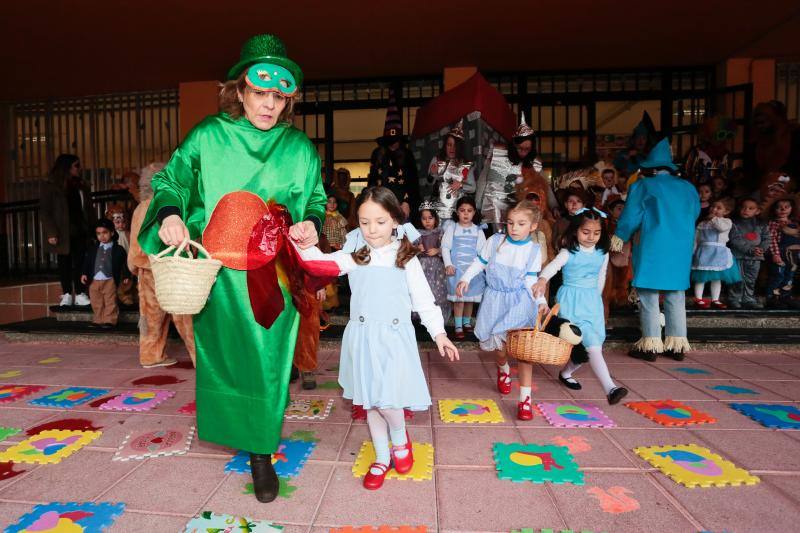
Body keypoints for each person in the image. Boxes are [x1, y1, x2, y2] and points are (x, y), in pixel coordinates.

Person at [136, 34, 326, 503]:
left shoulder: (299, 147)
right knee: (223, 358)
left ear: (288, 100)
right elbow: (171, 180)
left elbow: (317, 198)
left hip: (273, 273)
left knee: (267, 361)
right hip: (218, 272)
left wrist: (311, 223)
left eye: (279, 96)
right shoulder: (208, 135)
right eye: (259, 93)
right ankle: (243, 430)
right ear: (238, 92)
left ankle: (261, 451)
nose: (269, 104)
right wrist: (170, 213)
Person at [296, 186, 459, 490]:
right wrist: (301, 243)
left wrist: (439, 333)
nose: (372, 230)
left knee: (387, 403)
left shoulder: (405, 257)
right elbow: (319, 263)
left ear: (396, 220)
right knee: (371, 403)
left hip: (394, 340)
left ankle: (400, 440)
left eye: (380, 222)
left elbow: (423, 299)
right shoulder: (355, 256)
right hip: (363, 337)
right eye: (365, 221)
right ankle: (382, 457)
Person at [457, 201, 548, 420]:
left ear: (533, 226)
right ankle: (503, 369)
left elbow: (531, 280)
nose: (514, 228)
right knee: (499, 349)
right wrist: (465, 278)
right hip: (495, 300)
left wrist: (540, 301)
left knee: (524, 353)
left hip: (519, 302)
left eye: (521, 224)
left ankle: (525, 400)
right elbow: (480, 262)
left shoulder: (533, 250)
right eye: (510, 223)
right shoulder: (495, 241)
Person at [611, 138, 700, 362]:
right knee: (676, 294)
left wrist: (620, 236)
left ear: (650, 168)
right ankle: (676, 344)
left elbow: (632, 216)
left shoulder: (642, 186)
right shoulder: (688, 187)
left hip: (652, 243)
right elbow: (696, 213)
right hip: (680, 247)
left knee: (648, 295)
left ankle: (651, 345)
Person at [534, 209, 628, 404]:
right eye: (586, 232)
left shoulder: (602, 253)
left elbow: (601, 276)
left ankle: (567, 373)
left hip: (591, 302)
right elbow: (552, 268)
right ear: (576, 230)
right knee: (582, 344)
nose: (591, 237)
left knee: (593, 345)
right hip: (571, 299)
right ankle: (610, 388)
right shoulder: (568, 252)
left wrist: (597, 299)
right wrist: (542, 280)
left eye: (596, 233)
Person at [128, 162, 196, 368]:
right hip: (172, 269)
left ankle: (151, 356)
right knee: (185, 317)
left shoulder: (141, 207)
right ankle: (201, 360)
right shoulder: (172, 207)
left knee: (150, 318)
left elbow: (134, 242)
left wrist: (134, 266)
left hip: (146, 269)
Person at [40, 154, 93, 307]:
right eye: (76, 165)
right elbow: (45, 211)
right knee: (64, 262)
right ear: (67, 167)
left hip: (80, 229)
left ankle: (81, 293)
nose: (79, 168)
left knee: (81, 261)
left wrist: (94, 227)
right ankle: (67, 293)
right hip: (63, 231)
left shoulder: (81, 185)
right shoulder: (51, 185)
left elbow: (88, 209)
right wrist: (51, 232)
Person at [442, 196, 486, 339]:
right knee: (459, 299)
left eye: (469, 210)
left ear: (474, 212)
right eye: (462, 210)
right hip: (457, 270)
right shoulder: (452, 228)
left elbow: (483, 252)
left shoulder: (478, 230)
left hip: (472, 271)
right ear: (456, 212)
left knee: (469, 298)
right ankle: (458, 325)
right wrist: (448, 264)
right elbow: (445, 247)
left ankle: (467, 323)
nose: (466, 214)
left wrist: (482, 268)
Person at [368, 90, 419, 211]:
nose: (394, 144)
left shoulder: (407, 154)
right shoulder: (377, 154)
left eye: (396, 141)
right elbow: (372, 180)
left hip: (402, 203)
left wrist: (407, 202)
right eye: (391, 141)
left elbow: (413, 181)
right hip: (380, 203)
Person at [691, 197, 741, 309]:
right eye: (713, 206)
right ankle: (698, 299)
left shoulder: (726, 222)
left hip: (719, 253)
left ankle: (715, 299)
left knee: (717, 278)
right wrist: (693, 252)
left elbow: (721, 228)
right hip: (703, 252)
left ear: (726, 211)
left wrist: (714, 219)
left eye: (719, 208)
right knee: (701, 277)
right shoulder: (702, 223)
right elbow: (696, 239)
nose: (714, 209)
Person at [80, 218, 130, 329]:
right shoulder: (93, 249)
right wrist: (84, 273)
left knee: (110, 300)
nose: (101, 236)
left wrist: (126, 275)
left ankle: (110, 320)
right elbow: (87, 262)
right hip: (95, 279)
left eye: (105, 233)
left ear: (112, 232)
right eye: (98, 233)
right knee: (96, 300)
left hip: (109, 279)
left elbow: (124, 263)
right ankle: (98, 319)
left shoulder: (118, 249)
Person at [425, 119, 476, 222]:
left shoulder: (465, 164)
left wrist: (460, 185)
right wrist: (432, 174)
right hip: (438, 208)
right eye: (449, 145)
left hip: (458, 211)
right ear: (445, 146)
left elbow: (473, 188)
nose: (452, 148)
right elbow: (429, 184)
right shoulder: (437, 160)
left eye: (455, 145)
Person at [728, 198, 769, 309]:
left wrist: (761, 249)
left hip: (756, 257)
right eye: (743, 207)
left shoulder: (761, 224)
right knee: (737, 278)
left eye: (751, 208)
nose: (746, 210)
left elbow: (767, 238)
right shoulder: (734, 223)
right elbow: (735, 239)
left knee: (751, 279)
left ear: (757, 211)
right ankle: (735, 298)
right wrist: (750, 250)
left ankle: (748, 298)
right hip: (738, 256)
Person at [416, 202, 451, 323]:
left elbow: (447, 248)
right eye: (424, 219)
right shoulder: (417, 233)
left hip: (437, 268)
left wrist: (438, 250)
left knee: (437, 291)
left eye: (430, 218)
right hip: (422, 267)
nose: (427, 221)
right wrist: (416, 249)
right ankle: (422, 318)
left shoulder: (440, 232)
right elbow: (409, 251)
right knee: (423, 290)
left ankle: (437, 318)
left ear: (435, 218)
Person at [766, 198, 798, 307]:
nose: (783, 209)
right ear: (774, 210)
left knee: (789, 276)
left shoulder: (795, 224)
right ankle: (772, 297)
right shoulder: (774, 223)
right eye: (779, 207)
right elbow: (771, 239)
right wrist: (775, 254)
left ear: (792, 208)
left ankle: (785, 296)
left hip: (793, 256)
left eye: (787, 207)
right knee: (778, 275)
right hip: (779, 254)